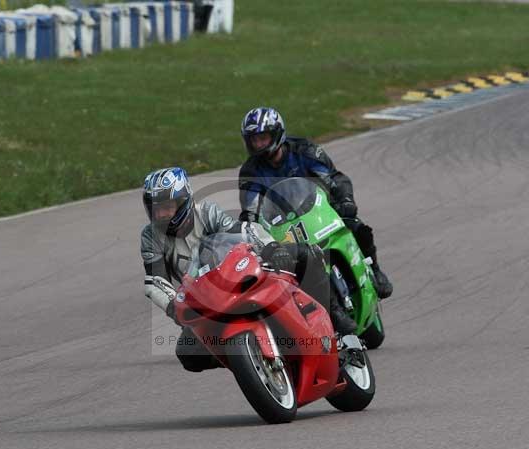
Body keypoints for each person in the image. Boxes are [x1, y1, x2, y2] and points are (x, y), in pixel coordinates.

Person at [140, 166, 359, 372]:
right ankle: (251, 359)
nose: (161, 215)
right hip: (204, 301)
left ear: (183, 201)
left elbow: (242, 231)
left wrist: (271, 248)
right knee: (188, 354)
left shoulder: (206, 213)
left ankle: (336, 321)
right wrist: (173, 307)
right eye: (156, 209)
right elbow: (156, 281)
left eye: (167, 208)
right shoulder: (150, 237)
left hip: (240, 274)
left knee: (306, 254)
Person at [237, 106, 393, 299]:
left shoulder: (305, 150)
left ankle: (375, 270)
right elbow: (250, 209)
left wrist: (344, 200)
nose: (259, 144)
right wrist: (251, 230)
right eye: (254, 140)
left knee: (357, 226)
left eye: (263, 138)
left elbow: (333, 179)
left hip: (320, 210)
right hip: (284, 226)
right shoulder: (250, 171)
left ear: (277, 134)